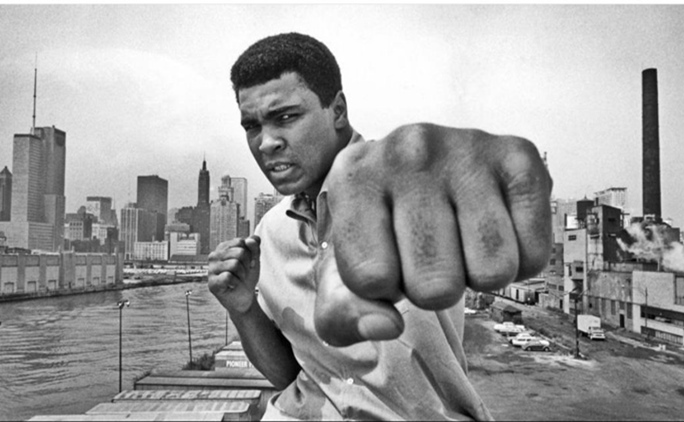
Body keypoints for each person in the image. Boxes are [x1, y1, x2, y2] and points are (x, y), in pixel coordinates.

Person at [208, 32, 552, 420]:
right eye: (251, 126)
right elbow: (289, 376)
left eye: (286, 117)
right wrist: (242, 308)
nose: (266, 142)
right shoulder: (272, 232)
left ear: (338, 110)